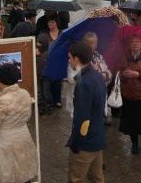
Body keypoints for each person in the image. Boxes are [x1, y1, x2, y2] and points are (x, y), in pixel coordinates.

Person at [0, 63, 38, 183]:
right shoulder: (25, 93)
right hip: (23, 138)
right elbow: (27, 117)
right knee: (23, 173)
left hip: (6, 144)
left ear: (2, 81)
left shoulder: (3, 101)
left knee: (8, 175)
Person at [66, 41, 106, 183]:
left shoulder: (83, 83)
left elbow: (83, 119)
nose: (69, 60)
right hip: (97, 138)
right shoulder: (97, 76)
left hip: (85, 144)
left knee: (76, 179)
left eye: (70, 57)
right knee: (97, 178)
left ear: (77, 59)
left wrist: (77, 143)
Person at [37, 16, 63, 107]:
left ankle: (57, 100)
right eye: (49, 23)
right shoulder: (44, 35)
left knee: (58, 82)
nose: (50, 24)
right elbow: (39, 48)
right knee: (47, 83)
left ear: (56, 23)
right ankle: (47, 102)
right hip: (47, 62)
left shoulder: (62, 34)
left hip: (58, 62)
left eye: (52, 22)